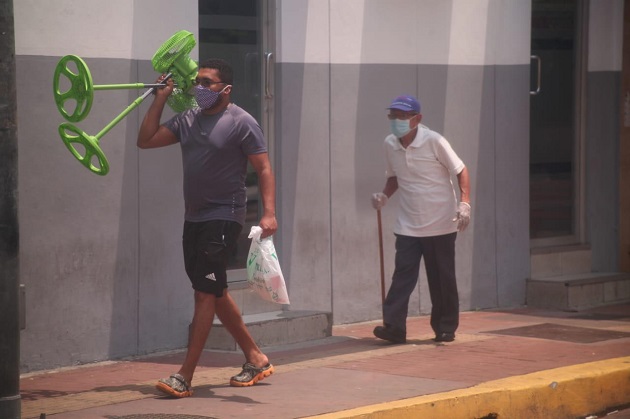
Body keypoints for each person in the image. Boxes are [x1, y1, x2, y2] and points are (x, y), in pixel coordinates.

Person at [137, 58, 277, 398]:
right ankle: (256, 358)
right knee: (214, 290)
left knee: (203, 293)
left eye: (208, 82)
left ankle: (185, 376)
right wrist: (159, 97)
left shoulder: (242, 122)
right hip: (194, 217)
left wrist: (268, 212)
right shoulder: (188, 119)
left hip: (224, 217)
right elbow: (147, 140)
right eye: (197, 81)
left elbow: (264, 168)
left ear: (225, 89)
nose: (199, 87)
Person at [371, 95, 471, 344]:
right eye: (393, 116)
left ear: (417, 119)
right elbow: (395, 176)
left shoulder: (434, 141)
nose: (397, 121)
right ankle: (394, 327)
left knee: (441, 277)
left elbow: (461, 169)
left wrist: (465, 202)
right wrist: (384, 195)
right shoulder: (389, 144)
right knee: (403, 275)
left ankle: (445, 327)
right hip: (408, 223)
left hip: (441, 221)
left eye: (403, 116)